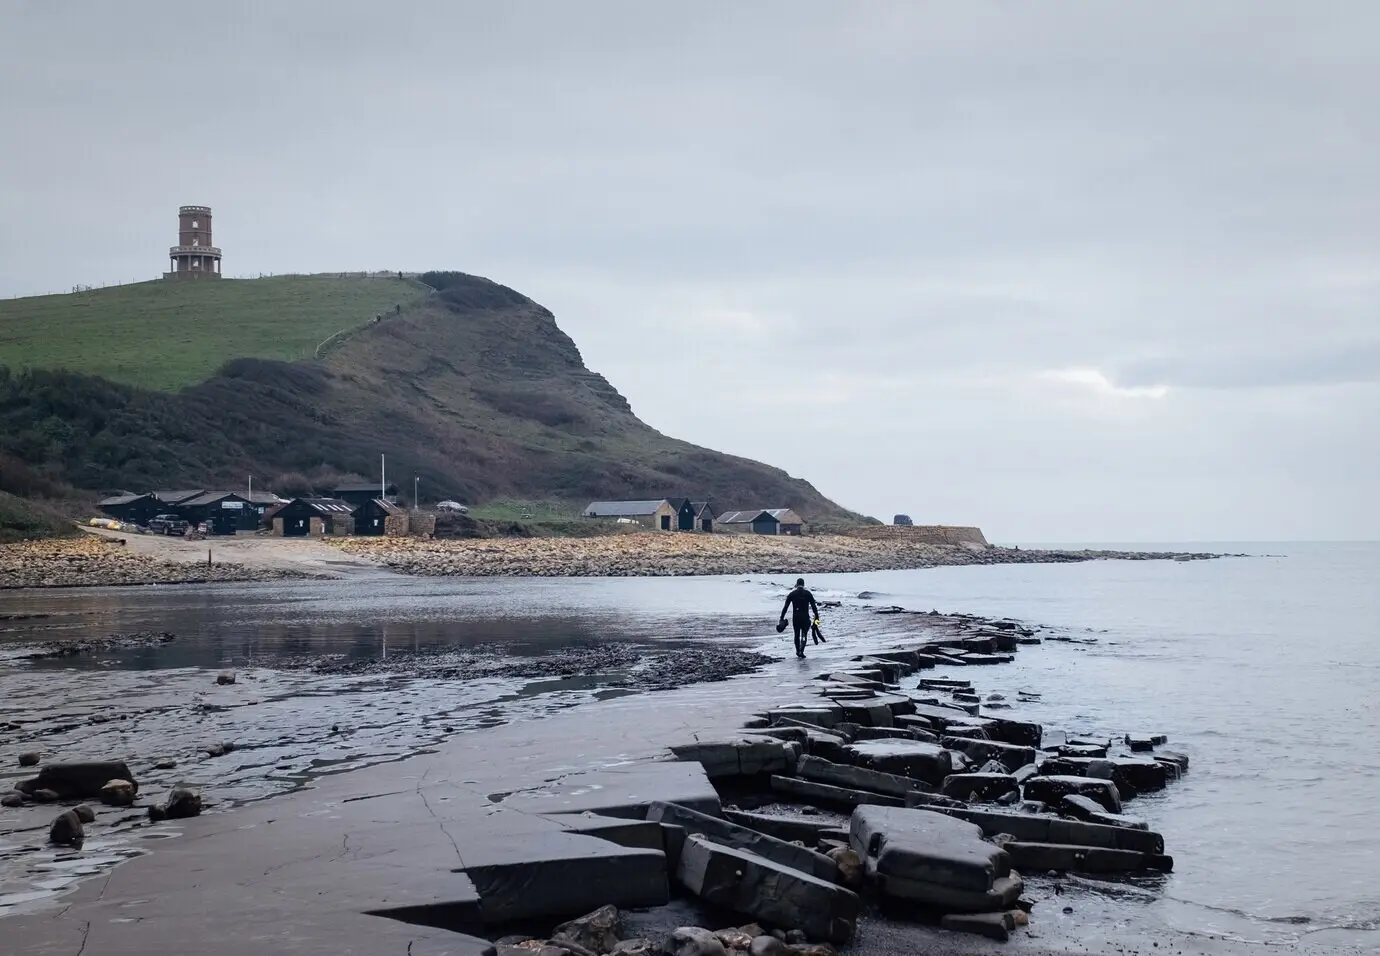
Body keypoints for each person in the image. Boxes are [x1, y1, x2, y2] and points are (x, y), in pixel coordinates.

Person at [780, 578, 820, 659]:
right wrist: (817, 619)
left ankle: (797, 651)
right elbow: (814, 607)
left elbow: (785, 607)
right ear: (804, 584)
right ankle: (802, 650)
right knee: (804, 634)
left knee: (796, 635)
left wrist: (781, 618)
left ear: (797, 584)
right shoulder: (808, 594)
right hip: (805, 618)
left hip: (796, 617)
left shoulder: (792, 594)